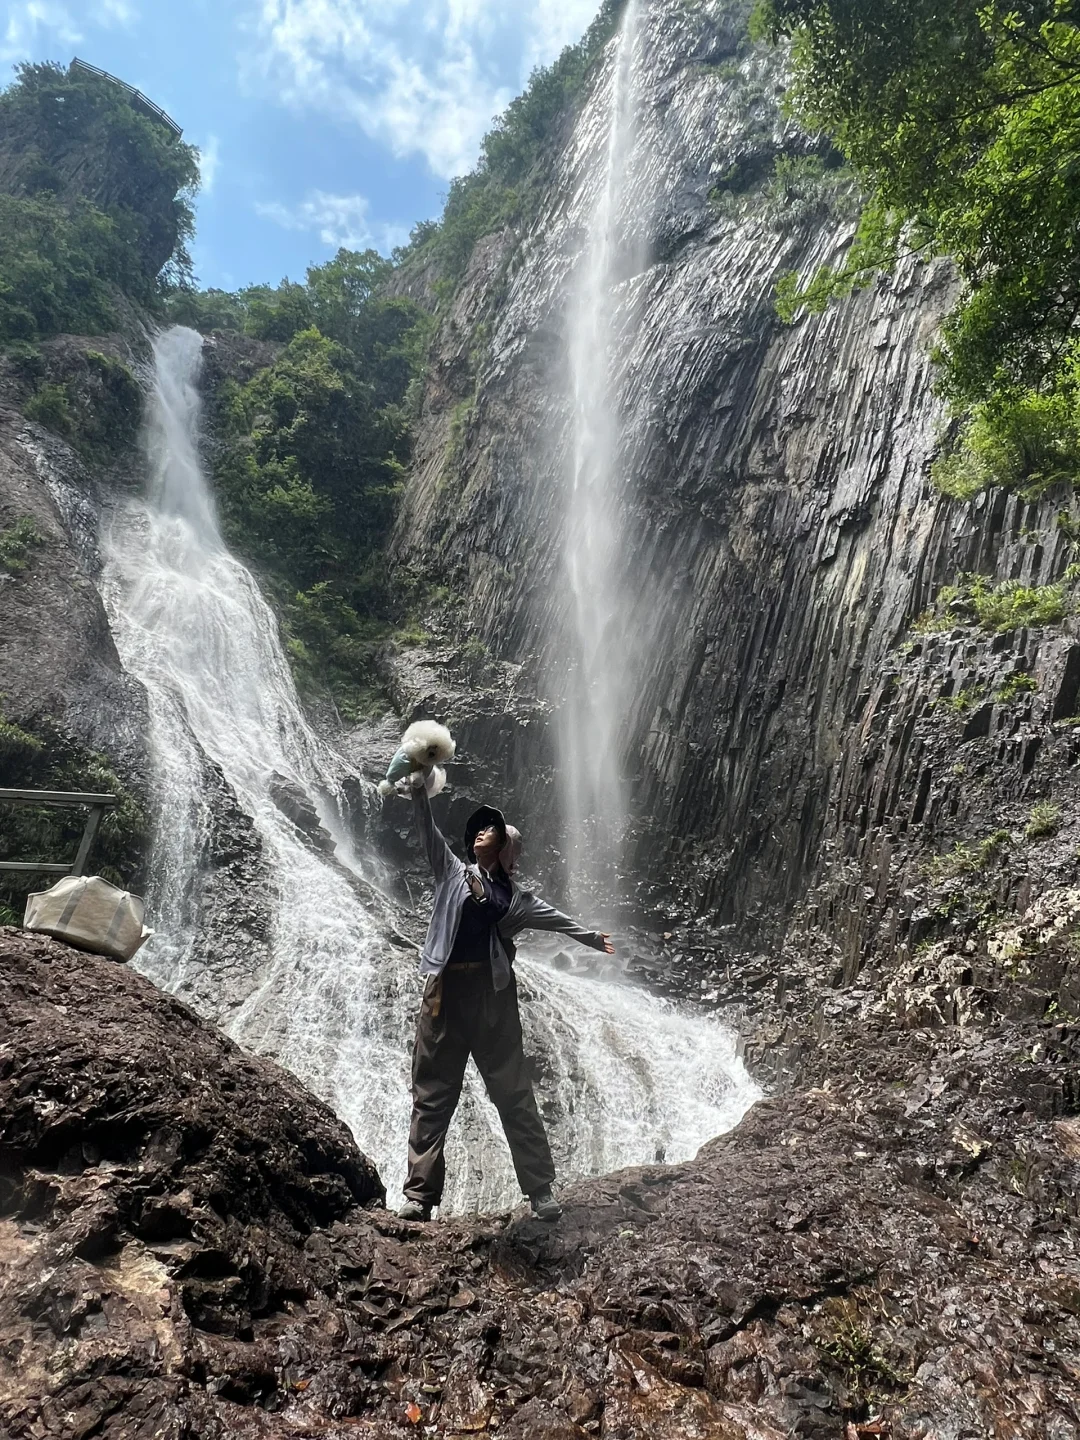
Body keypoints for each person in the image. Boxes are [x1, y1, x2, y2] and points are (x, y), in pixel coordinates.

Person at [397, 780, 614, 1223]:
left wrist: (589, 937)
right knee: (433, 1095)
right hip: (444, 997)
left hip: (492, 999)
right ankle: (419, 1197)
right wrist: (420, 793)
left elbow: (555, 919)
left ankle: (540, 1191)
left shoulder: (516, 899)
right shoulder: (451, 871)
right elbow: (426, 830)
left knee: (513, 1093)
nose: (479, 834)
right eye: (477, 831)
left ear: (506, 849)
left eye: (490, 831)